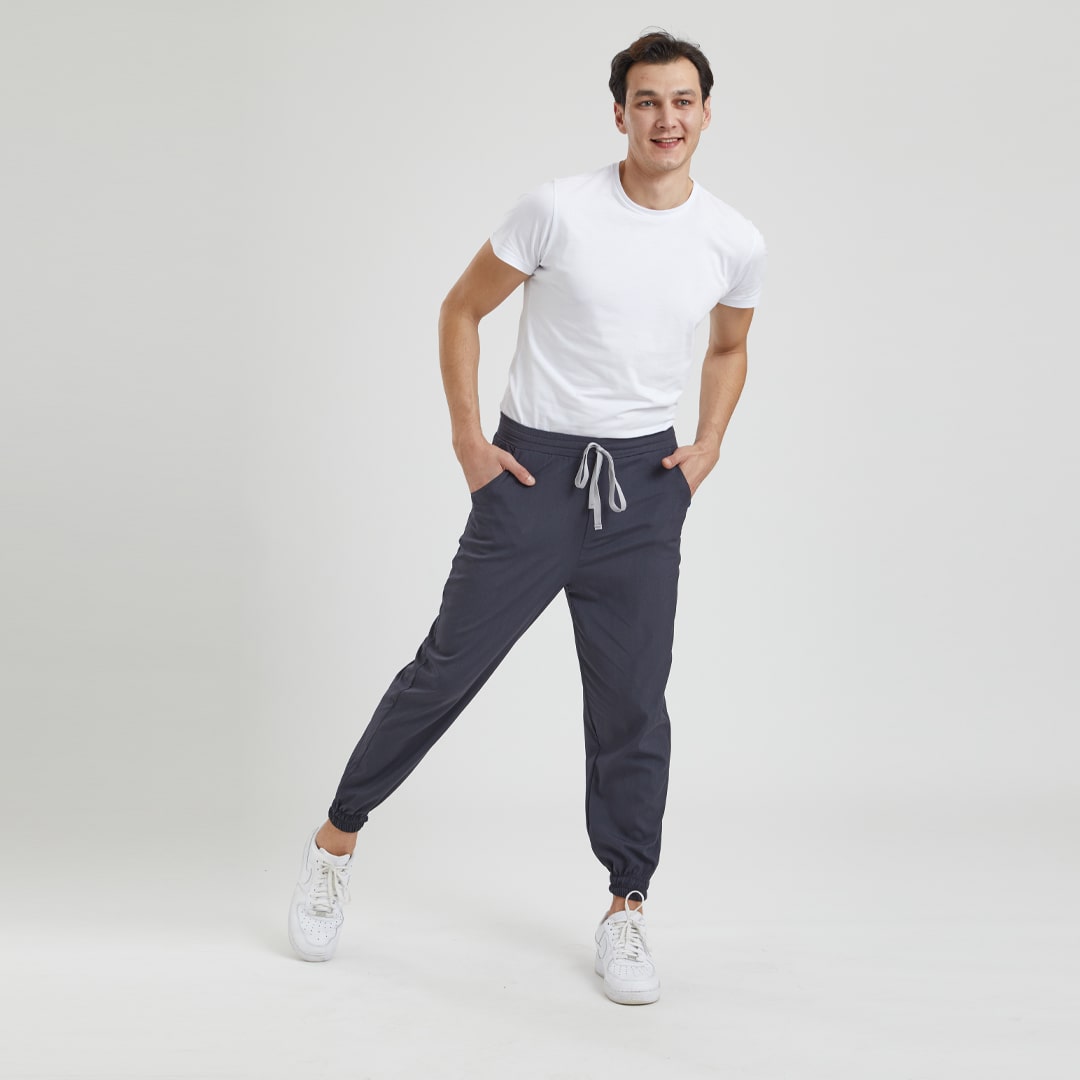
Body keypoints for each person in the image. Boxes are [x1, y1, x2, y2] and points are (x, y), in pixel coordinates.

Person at [287, 29, 767, 1006]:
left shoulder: (733, 240)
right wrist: (470, 440)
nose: (665, 119)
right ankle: (335, 843)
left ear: (707, 113)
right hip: (535, 474)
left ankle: (626, 906)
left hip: (644, 486)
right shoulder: (557, 210)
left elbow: (728, 348)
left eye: (682, 101)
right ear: (620, 112)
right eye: (647, 101)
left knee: (633, 703)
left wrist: (708, 444)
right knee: (445, 671)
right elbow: (462, 309)